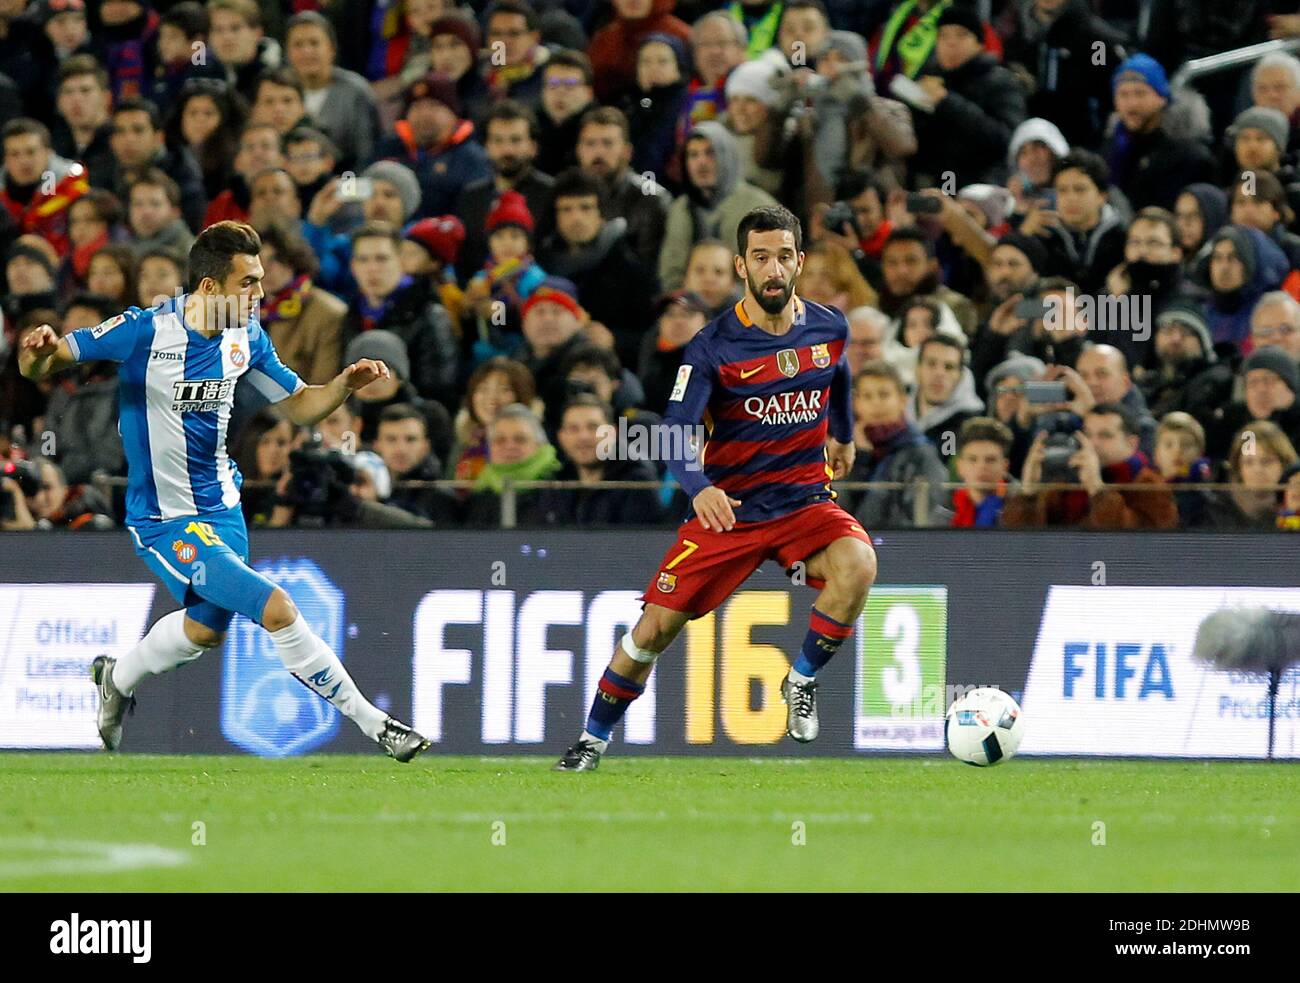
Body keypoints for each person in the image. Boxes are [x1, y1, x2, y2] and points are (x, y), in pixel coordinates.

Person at [17, 220, 430, 761]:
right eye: (249, 283)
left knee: (206, 631)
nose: (261, 293)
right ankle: (378, 726)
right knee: (276, 607)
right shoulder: (144, 330)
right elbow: (41, 365)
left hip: (225, 510)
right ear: (210, 288)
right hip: (166, 521)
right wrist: (37, 350)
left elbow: (301, 403)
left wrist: (343, 387)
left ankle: (117, 678)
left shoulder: (248, 336)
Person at [553, 205, 876, 772]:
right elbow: (676, 429)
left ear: (798, 262)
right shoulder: (713, 346)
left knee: (860, 565)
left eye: (783, 257)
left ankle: (799, 681)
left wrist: (843, 437)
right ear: (740, 266)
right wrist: (698, 486)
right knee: (653, 630)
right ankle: (591, 741)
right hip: (731, 510)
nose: (772, 269)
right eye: (760, 258)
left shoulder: (830, 327)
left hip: (804, 502)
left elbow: (839, 372)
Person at [1003, 402, 1178, 529]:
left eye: (1105, 435)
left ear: (1132, 444)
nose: (1092, 444)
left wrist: (1098, 490)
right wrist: (1028, 494)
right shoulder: (1068, 482)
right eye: (1088, 434)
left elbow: (1135, 544)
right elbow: (1022, 544)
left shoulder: (1149, 484)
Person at [845, 357, 949, 528]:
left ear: (902, 400)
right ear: (856, 403)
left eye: (884, 395)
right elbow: (838, 506)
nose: (876, 403)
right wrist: (861, 458)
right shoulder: (844, 449)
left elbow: (920, 517)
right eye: (867, 396)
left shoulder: (921, 453)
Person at [948, 415, 1014, 527]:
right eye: (972, 459)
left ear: (1005, 467)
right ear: (960, 467)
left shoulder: (1018, 509)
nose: (981, 466)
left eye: (990, 460)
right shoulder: (943, 513)